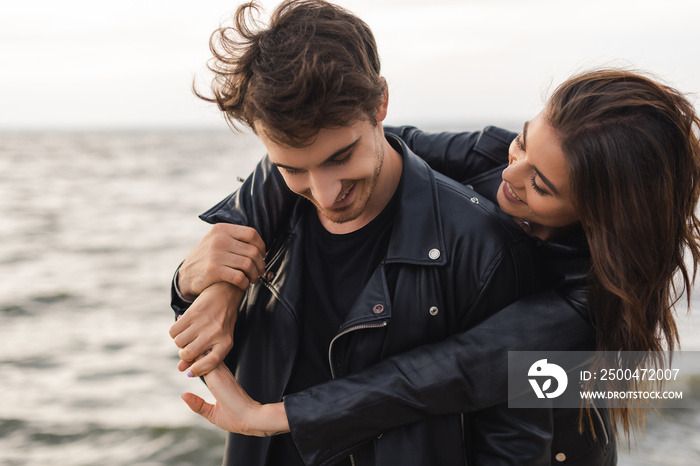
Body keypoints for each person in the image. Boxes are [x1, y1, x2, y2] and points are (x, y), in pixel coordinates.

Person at [174, 66, 700, 465]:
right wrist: (224, 279)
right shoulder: (500, 158)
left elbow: (452, 371)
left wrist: (275, 417)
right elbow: (328, 144)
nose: (509, 176)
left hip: (560, 436)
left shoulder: (586, 301)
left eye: (541, 185)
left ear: (603, 212)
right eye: (521, 142)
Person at [170, 0, 554, 465]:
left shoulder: (484, 246)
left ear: (380, 104)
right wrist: (191, 284)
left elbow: (516, 438)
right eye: (294, 169)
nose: (326, 194)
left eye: (340, 157)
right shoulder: (267, 205)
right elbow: (214, 329)